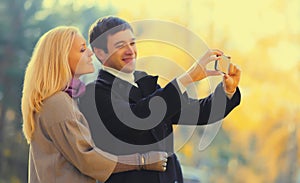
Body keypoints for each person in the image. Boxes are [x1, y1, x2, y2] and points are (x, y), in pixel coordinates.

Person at [79, 16, 241, 183]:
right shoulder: (94, 93)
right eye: (120, 45)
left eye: (132, 43)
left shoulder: (145, 83)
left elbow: (199, 113)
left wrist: (227, 91)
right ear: (100, 52)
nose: (130, 51)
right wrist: (188, 78)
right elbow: (136, 118)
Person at [21, 26, 169, 183]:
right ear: (62, 57)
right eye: (82, 49)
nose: (90, 53)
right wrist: (143, 161)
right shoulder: (59, 103)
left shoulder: (59, 100)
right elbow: (87, 159)